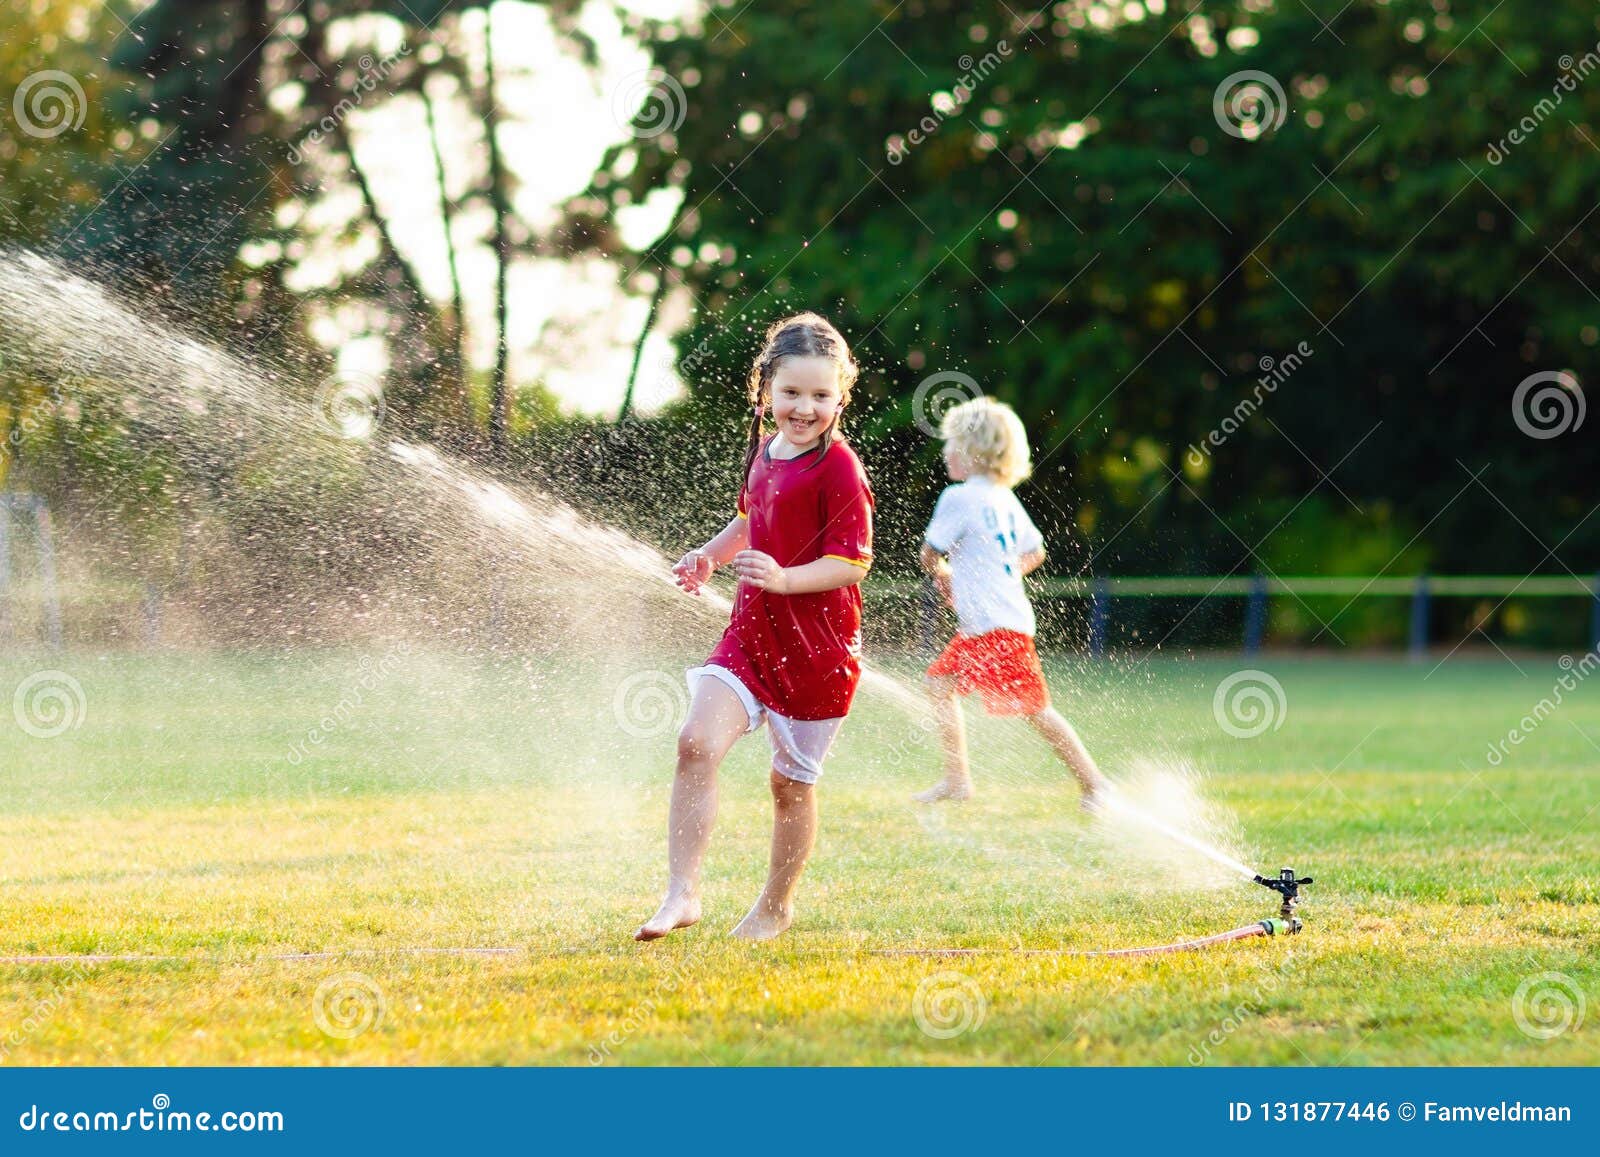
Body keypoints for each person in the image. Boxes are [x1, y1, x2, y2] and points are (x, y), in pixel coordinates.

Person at [635, 312, 874, 942]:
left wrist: (787, 579)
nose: (804, 408)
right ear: (766, 388)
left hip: (820, 649)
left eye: (821, 395)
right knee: (694, 743)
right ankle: (682, 894)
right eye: (792, 392)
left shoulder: (839, 467)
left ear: (840, 396)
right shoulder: (763, 453)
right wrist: (709, 556)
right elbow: (749, 520)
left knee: (789, 786)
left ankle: (775, 906)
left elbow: (853, 561)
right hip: (751, 634)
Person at [914, 397, 1108, 808]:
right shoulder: (1003, 498)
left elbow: (929, 554)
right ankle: (957, 780)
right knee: (939, 685)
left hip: (993, 627)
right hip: (994, 624)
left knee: (1036, 709)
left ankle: (1095, 784)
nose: (946, 451)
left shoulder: (960, 497)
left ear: (972, 450)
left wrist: (947, 574)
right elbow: (1034, 552)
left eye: (951, 443)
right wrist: (997, 576)